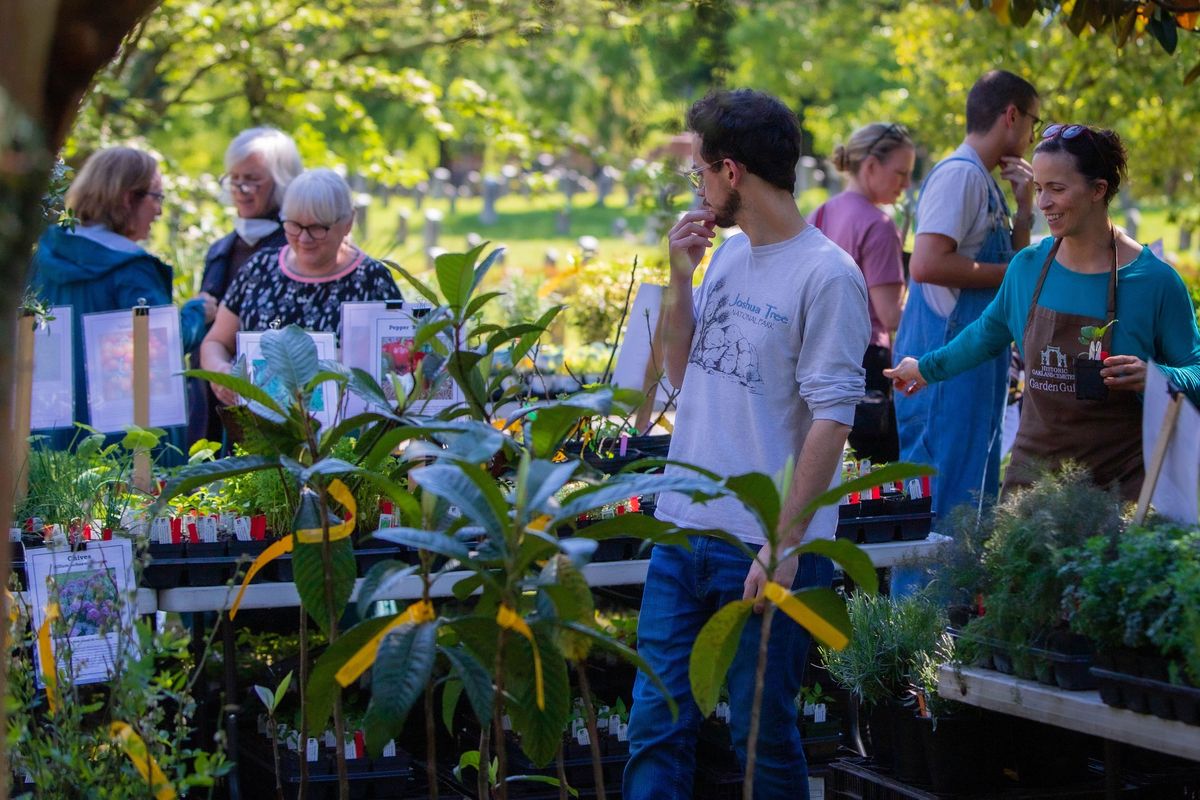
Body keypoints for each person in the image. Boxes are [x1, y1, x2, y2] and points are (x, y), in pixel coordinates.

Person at [624, 90, 869, 800]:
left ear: (731, 171)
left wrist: (782, 543)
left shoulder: (827, 275)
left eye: (699, 171)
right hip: (683, 528)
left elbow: (833, 419)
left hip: (763, 541)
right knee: (655, 725)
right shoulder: (728, 257)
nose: (695, 186)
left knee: (761, 737)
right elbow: (681, 373)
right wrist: (679, 278)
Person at [886, 125, 1200, 501]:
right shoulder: (1027, 267)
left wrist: (1156, 376)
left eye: (1057, 189)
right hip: (1031, 490)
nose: (1043, 203)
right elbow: (985, 334)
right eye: (1039, 189)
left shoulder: (1155, 281)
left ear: (1098, 190)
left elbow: (1195, 370)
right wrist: (924, 368)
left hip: (1120, 491)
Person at [893, 70, 1039, 520]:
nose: (1034, 135)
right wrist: (1013, 277)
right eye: (1035, 121)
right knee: (938, 516)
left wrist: (1024, 210)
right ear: (1011, 115)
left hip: (971, 376)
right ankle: (921, 597)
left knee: (968, 510)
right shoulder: (960, 176)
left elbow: (1012, 267)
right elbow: (927, 264)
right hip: (940, 374)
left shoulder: (985, 181)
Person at [28, 146, 215, 454]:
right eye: (156, 197)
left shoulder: (43, 256)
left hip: (49, 435)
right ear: (129, 198)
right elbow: (160, 347)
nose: (159, 211)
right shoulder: (132, 270)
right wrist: (198, 313)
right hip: (117, 442)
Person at [200, 168, 401, 404]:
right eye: (294, 225)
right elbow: (215, 342)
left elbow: (398, 369)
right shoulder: (259, 268)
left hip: (343, 436)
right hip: (258, 431)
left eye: (318, 228)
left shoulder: (372, 280)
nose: (304, 239)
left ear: (347, 223)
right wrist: (222, 371)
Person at [187, 127, 303, 445]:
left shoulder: (295, 251)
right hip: (216, 406)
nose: (241, 189)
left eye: (252, 179)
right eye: (234, 179)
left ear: (281, 182)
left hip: (273, 408)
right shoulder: (221, 250)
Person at [809, 123, 915, 462]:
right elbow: (890, 315)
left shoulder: (821, 213)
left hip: (819, 352)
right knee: (880, 470)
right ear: (870, 166)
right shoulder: (879, 226)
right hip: (867, 358)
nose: (906, 184)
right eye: (900, 173)